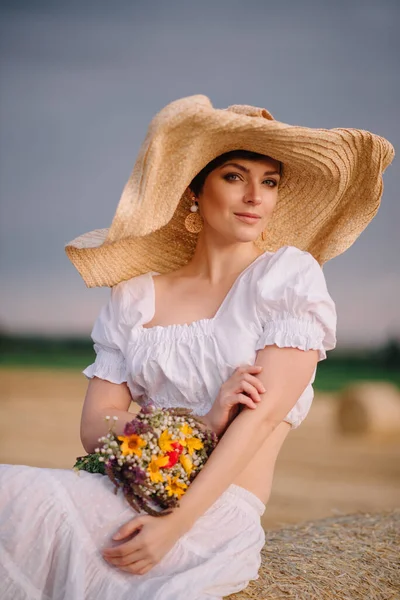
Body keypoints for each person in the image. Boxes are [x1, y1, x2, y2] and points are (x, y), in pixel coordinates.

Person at [0, 95, 394, 600]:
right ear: (194, 189)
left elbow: (260, 419)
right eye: (234, 176)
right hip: (125, 491)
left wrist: (174, 525)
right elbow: (94, 425)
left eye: (269, 181)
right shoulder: (136, 295)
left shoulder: (286, 279)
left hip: (212, 516)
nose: (255, 195)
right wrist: (202, 424)